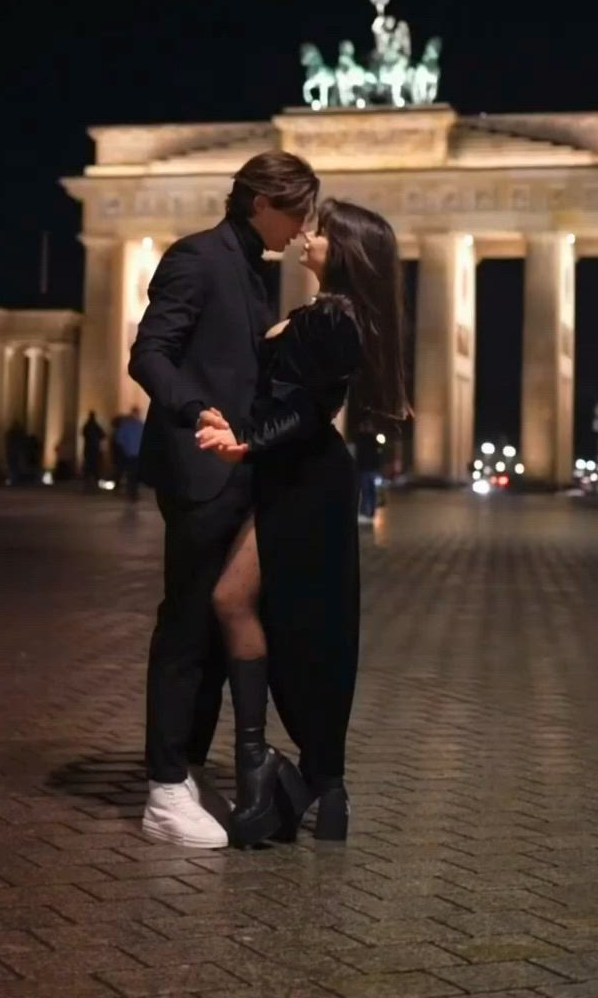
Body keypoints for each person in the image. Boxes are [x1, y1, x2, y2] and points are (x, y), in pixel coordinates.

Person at [197, 198, 408, 847]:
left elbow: (311, 409)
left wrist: (246, 441)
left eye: (318, 230)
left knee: (243, 601)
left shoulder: (332, 318)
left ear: (343, 246)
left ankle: (275, 769)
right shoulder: (341, 316)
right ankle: (318, 780)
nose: (305, 236)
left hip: (304, 477)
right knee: (312, 621)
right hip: (299, 475)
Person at [129, 150, 320, 848]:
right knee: (184, 624)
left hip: (237, 470)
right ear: (260, 201)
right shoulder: (198, 257)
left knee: (213, 622)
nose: (302, 230)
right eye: (296, 213)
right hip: (198, 467)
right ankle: (162, 788)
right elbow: (149, 353)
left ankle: (181, 771)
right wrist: (196, 410)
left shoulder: (248, 270)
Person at [114, 406, 144, 500]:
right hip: (136, 454)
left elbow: (119, 439)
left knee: (131, 474)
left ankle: (131, 492)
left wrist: (125, 449)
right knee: (134, 474)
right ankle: (133, 492)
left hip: (130, 454)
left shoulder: (126, 425)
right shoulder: (140, 425)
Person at [355, 418, 381, 525]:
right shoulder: (374, 440)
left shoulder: (361, 439)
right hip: (372, 469)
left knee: (366, 491)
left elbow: (359, 455)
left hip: (365, 469)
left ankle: (365, 512)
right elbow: (379, 454)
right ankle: (371, 512)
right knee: (372, 491)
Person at [81, 411, 105, 488]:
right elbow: (103, 435)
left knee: (89, 466)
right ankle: (94, 484)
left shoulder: (87, 426)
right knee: (94, 466)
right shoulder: (95, 426)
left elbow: (83, 434)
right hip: (94, 449)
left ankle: (88, 484)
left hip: (89, 448)